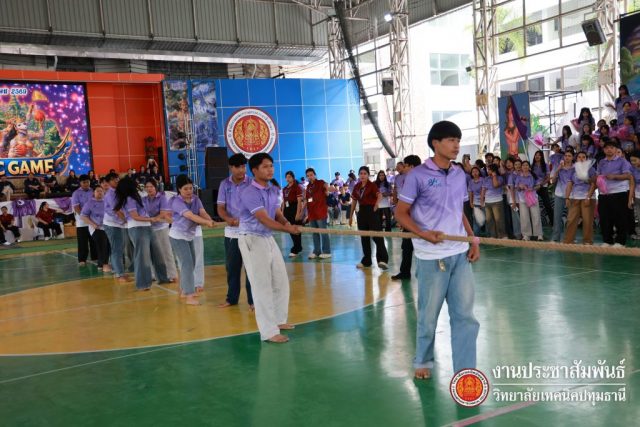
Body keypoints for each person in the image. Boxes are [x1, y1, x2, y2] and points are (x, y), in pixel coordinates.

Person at [394, 120, 480, 380]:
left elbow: (459, 211)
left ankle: (465, 371)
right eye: (451, 140)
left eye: (458, 140)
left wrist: (472, 239)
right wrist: (423, 234)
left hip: (459, 254)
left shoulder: (459, 174)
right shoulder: (417, 176)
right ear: (436, 143)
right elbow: (401, 213)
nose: (457, 145)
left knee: (465, 316)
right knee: (429, 315)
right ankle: (423, 360)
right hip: (431, 257)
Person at [237, 153, 300, 343]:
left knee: (280, 281)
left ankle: (279, 320)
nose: (270, 169)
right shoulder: (249, 192)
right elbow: (264, 218)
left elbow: (277, 213)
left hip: (267, 237)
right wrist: (287, 229)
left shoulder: (273, 190)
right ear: (254, 170)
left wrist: (287, 223)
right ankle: (268, 331)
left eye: (271, 165)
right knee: (261, 285)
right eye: (265, 166)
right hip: (252, 238)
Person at [115, 176, 169, 290]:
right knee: (142, 257)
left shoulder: (136, 196)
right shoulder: (129, 199)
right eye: (134, 183)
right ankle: (143, 284)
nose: (137, 185)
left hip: (147, 227)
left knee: (157, 253)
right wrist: (151, 219)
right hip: (137, 228)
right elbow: (135, 216)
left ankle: (163, 278)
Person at [169, 175, 215, 306]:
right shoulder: (176, 202)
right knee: (187, 263)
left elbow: (202, 212)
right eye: (185, 189)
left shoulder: (196, 199)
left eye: (190, 188)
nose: (189, 191)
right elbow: (191, 216)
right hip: (178, 237)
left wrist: (209, 220)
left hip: (189, 236)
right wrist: (206, 222)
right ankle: (189, 295)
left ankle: (184, 289)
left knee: (192, 262)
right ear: (179, 189)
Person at [216, 153, 254, 309]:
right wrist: (228, 219)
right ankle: (231, 299)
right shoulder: (224, 184)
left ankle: (253, 301)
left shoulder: (252, 183)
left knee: (251, 268)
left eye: (244, 166)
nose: (241, 170)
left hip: (250, 232)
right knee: (232, 268)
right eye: (238, 167)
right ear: (230, 168)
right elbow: (220, 208)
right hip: (232, 233)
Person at [349, 166, 389, 270]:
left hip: (372, 212)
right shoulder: (357, 186)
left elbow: (379, 196)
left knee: (377, 236)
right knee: (364, 237)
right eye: (361, 173)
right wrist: (351, 216)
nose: (362, 175)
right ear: (358, 175)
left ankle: (383, 260)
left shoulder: (372, 185)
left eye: (365, 173)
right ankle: (366, 261)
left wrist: (376, 205)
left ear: (368, 175)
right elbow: (354, 201)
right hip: (362, 212)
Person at [596, 139, 633, 246]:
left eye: (612, 148)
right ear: (604, 150)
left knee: (620, 217)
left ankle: (620, 242)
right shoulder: (601, 162)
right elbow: (598, 175)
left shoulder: (622, 161)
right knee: (604, 218)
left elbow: (628, 176)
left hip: (619, 192)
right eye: (607, 148)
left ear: (616, 149)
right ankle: (607, 240)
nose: (609, 150)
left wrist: (614, 176)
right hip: (604, 194)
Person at [391, 154, 421, 281]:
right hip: (409, 220)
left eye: (406, 166)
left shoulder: (421, 179)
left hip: (421, 221)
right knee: (407, 246)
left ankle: (423, 273)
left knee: (422, 247)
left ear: (412, 166)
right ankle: (405, 272)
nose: (404, 168)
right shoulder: (407, 179)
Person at [143, 179, 177, 282]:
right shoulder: (143, 199)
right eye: (147, 187)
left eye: (151, 186)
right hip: (149, 228)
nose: (149, 189)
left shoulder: (162, 197)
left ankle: (172, 274)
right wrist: (148, 219)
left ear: (155, 187)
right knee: (152, 253)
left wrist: (154, 219)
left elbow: (163, 213)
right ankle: (153, 274)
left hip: (161, 228)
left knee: (166, 251)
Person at [563, 151, 596, 245]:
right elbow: (569, 184)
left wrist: (588, 197)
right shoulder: (572, 169)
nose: (581, 159)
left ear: (586, 158)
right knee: (571, 220)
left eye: (583, 157)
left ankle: (587, 241)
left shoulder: (591, 169)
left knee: (587, 221)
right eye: (579, 157)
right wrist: (567, 197)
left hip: (588, 197)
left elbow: (594, 184)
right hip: (575, 197)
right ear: (576, 159)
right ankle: (568, 241)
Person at [103, 173, 128, 282]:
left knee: (119, 248)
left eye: (117, 178)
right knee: (117, 249)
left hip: (118, 223)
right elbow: (117, 210)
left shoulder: (119, 191)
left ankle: (117, 271)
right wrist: (126, 220)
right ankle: (120, 274)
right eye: (113, 179)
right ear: (108, 182)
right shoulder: (110, 194)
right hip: (112, 224)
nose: (116, 180)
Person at [80, 186, 111, 272]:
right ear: (94, 193)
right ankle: (103, 265)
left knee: (108, 245)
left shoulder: (107, 202)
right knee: (102, 245)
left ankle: (104, 264)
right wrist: (93, 224)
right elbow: (83, 216)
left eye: (101, 191)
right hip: (96, 228)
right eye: (97, 191)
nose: (100, 193)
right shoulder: (89, 203)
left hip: (108, 227)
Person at [304, 168, 331, 259]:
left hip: (320, 212)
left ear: (315, 175)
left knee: (323, 232)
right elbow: (307, 200)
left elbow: (326, 185)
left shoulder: (320, 182)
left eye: (311, 175)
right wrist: (305, 214)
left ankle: (327, 251)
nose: (310, 177)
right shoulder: (308, 187)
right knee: (314, 233)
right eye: (308, 176)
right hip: (311, 213)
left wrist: (327, 189)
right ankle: (316, 251)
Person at [71, 174, 98, 266]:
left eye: (87, 182)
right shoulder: (76, 193)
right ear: (80, 183)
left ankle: (95, 257)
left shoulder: (93, 191)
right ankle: (82, 259)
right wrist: (85, 216)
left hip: (93, 219)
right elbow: (76, 208)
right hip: (81, 220)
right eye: (84, 182)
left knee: (94, 240)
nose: (86, 184)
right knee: (82, 241)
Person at [514, 161, 544, 241]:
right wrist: (520, 186)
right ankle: (526, 235)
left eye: (526, 165)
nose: (525, 166)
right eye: (523, 165)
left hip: (533, 198)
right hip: (523, 199)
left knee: (536, 215)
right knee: (524, 217)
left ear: (529, 167)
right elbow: (517, 188)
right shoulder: (519, 177)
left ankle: (539, 234)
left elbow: (538, 186)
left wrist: (532, 188)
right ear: (521, 167)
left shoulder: (533, 175)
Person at [550, 151, 575, 242]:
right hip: (559, 194)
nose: (567, 157)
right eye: (566, 156)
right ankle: (555, 237)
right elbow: (552, 181)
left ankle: (570, 238)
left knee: (571, 218)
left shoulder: (575, 168)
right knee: (557, 217)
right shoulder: (559, 167)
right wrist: (558, 169)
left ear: (572, 157)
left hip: (572, 195)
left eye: (569, 156)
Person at [282, 171, 304, 256]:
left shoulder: (297, 187)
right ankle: (297, 246)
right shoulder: (285, 189)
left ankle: (296, 248)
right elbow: (284, 202)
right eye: (286, 177)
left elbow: (299, 202)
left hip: (294, 208)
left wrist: (298, 213)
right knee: (290, 229)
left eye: (289, 177)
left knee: (296, 229)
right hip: (287, 210)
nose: (288, 179)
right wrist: (282, 212)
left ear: (293, 178)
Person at [481, 164, 507, 238]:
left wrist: (494, 175)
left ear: (494, 170)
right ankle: (493, 235)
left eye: (489, 169)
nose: (488, 171)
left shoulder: (500, 178)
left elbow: (495, 185)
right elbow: (483, 190)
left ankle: (502, 235)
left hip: (497, 201)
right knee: (489, 220)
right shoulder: (486, 179)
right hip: (487, 202)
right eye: (487, 169)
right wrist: (482, 201)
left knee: (498, 220)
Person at [532, 150, 553, 226]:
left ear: (542, 156)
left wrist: (540, 185)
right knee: (533, 205)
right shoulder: (532, 166)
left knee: (547, 205)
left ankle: (553, 222)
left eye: (539, 155)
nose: (537, 156)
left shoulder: (545, 165)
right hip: (534, 188)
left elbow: (548, 178)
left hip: (543, 187)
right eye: (536, 155)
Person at [629, 151, 640, 240]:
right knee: (638, 216)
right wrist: (631, 198)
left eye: (635, 160)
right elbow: (632, 184)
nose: (633, 162)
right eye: (631, 161)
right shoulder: (632, 169)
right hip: (637, 195)